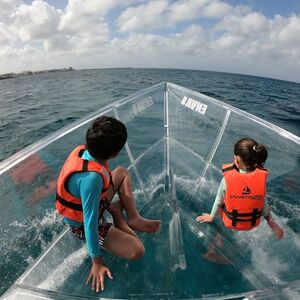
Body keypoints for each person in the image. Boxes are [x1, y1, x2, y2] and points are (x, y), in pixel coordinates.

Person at [55, 116, 161, 292]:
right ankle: (118, 216)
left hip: (97, 202)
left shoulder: (83, 151)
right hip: (83, 224)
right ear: (115, 153)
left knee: (121, 172)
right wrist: (96, 261)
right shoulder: (92, 179)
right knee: (137, 250)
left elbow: (105, 176)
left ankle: (134, 218)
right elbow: (89, 223)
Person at [196, 137, 284, 240]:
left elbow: (218, 201)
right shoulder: (260, 179)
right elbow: (263, 203)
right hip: (252, 223)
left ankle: (218, 235)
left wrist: (211, 217)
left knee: (223, 201)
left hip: (230, 222)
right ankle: (270, 221)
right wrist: (269, 218)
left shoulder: (227, 179)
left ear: (236, 160)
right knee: (259, 197)